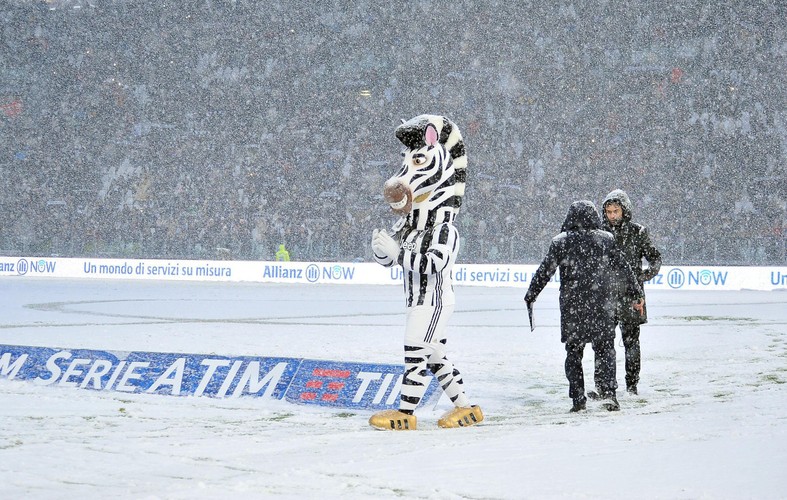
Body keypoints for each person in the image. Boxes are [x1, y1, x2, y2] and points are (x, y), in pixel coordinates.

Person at [369, 114, 483, 430]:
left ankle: (405, 414)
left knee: (414, 351)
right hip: (418, 301)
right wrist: (383, 251)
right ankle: (466, 408)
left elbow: (432, 265)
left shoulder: (447, 230)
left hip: (433, 302)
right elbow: (391, 261)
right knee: (434, 357)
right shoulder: (409, 226)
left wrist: (398, 253)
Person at [524, 200, 644, 413]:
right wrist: (636, 293)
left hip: (573, 308)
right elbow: (624, 268)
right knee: (605, 350)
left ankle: (578, 398)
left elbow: (545, 271)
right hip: (602, 306)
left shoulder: (561, 242)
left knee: (573, 353)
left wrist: (531, 295)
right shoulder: (606, 240)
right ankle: (609, 394)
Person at [598, 189, 662, 395]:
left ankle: (632, 385)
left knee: (631, 342)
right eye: (608, 211)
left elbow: (655, 258)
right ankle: (604, 386)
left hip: (632, 296)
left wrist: (642, 276)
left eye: (616, 211)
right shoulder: (600, 233)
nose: (612, 215)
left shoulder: (638, 232)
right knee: (603, 343)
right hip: (605, 296)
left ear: (624, 210)